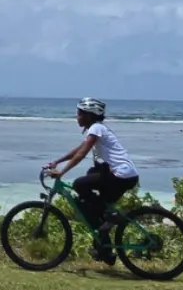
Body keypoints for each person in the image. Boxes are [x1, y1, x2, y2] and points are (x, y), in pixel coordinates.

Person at [43, 97, 139, 264]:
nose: (77, 117)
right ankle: (105, 250)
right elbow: (79, 149)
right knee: (91, 207)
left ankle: (113, 216)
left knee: (79, 184)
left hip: (122, 175)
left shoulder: (96, 128)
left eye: (80, 113)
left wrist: (62, 172)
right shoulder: (95, 130)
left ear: (90, 115)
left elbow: (82, 154)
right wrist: (57, 162)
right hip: (121, 175)